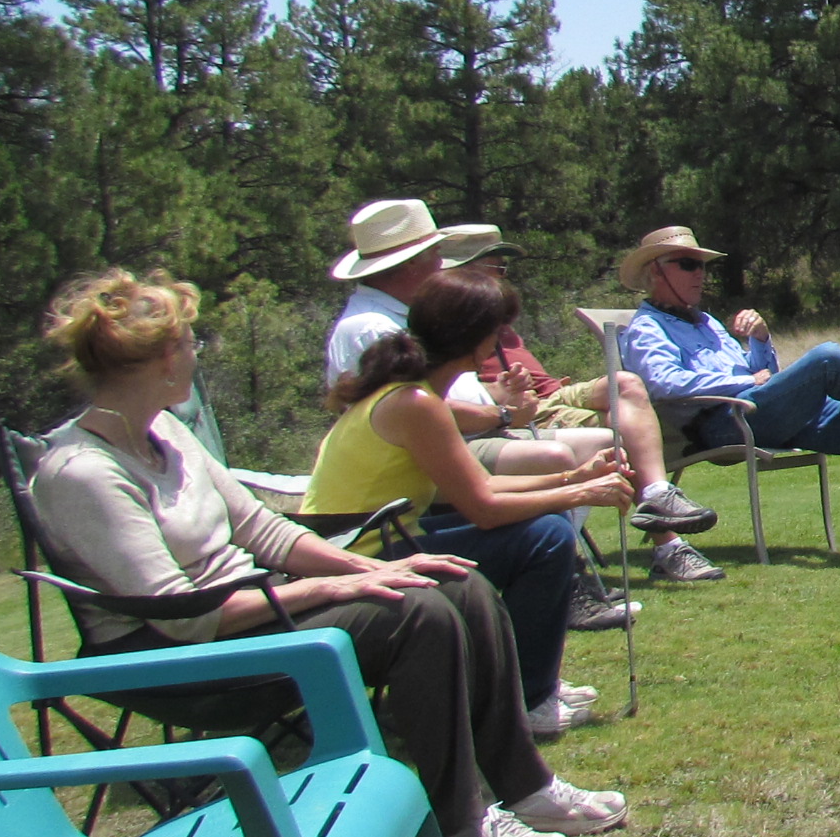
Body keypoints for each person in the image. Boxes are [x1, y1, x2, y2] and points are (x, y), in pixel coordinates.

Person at [27, 268, 625, 837]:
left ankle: (527, 787)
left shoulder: (165, 432)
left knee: (457, 582)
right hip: (184, 661)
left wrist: (377, 566)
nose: (195, 357)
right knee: (416, 613)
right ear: (160, 360)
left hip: (252, 615)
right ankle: (460, 828)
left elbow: (263, 530)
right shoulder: (83, 472)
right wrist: (335, 587)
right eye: (190, 344)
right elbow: (186, 616)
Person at [324, 198, 723, 615]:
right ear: (410, 265)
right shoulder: (375, 332)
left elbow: (471, 467)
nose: (443, 266)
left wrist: (569, 475)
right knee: (552, 487)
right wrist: (569, 480)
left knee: (610, 419)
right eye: (436, 255)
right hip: (378, 532)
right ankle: (569, 583)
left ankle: (646, 518)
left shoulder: (397, 325)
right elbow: (478, 498)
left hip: (427, 482)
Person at [306, 269, 637, 740]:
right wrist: (581, 494)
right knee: (546, 538)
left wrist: (574, 477)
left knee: (543, 530)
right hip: (366, 557)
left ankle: (524, 683)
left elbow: (479, 485)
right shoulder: (415, 404)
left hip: (374, 542)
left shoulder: (410, 395)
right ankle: (528, 698)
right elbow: (483, 507)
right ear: (478, 341)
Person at [614, 224, 840, 564]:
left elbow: (763, 374)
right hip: (721, 423)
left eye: (702, 265)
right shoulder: (647, 328)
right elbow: (664, 384)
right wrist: (744, 382)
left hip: (762, 412)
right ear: (656, 271)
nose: (700, 274)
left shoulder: (707, 323)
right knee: (827, 358)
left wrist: (761, 340)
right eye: (688, 264)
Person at [442, 240, 726, 586]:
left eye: (505, 267)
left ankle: (657, 494)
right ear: (458, 271)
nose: (504, 275)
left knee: (626, 383)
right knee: (619, 430)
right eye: (495, 266)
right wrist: (500, 399)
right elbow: (453, 391)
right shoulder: (452, 322)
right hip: (518, 407)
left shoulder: (498, 319)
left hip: (552, 392)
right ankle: (668, 547)